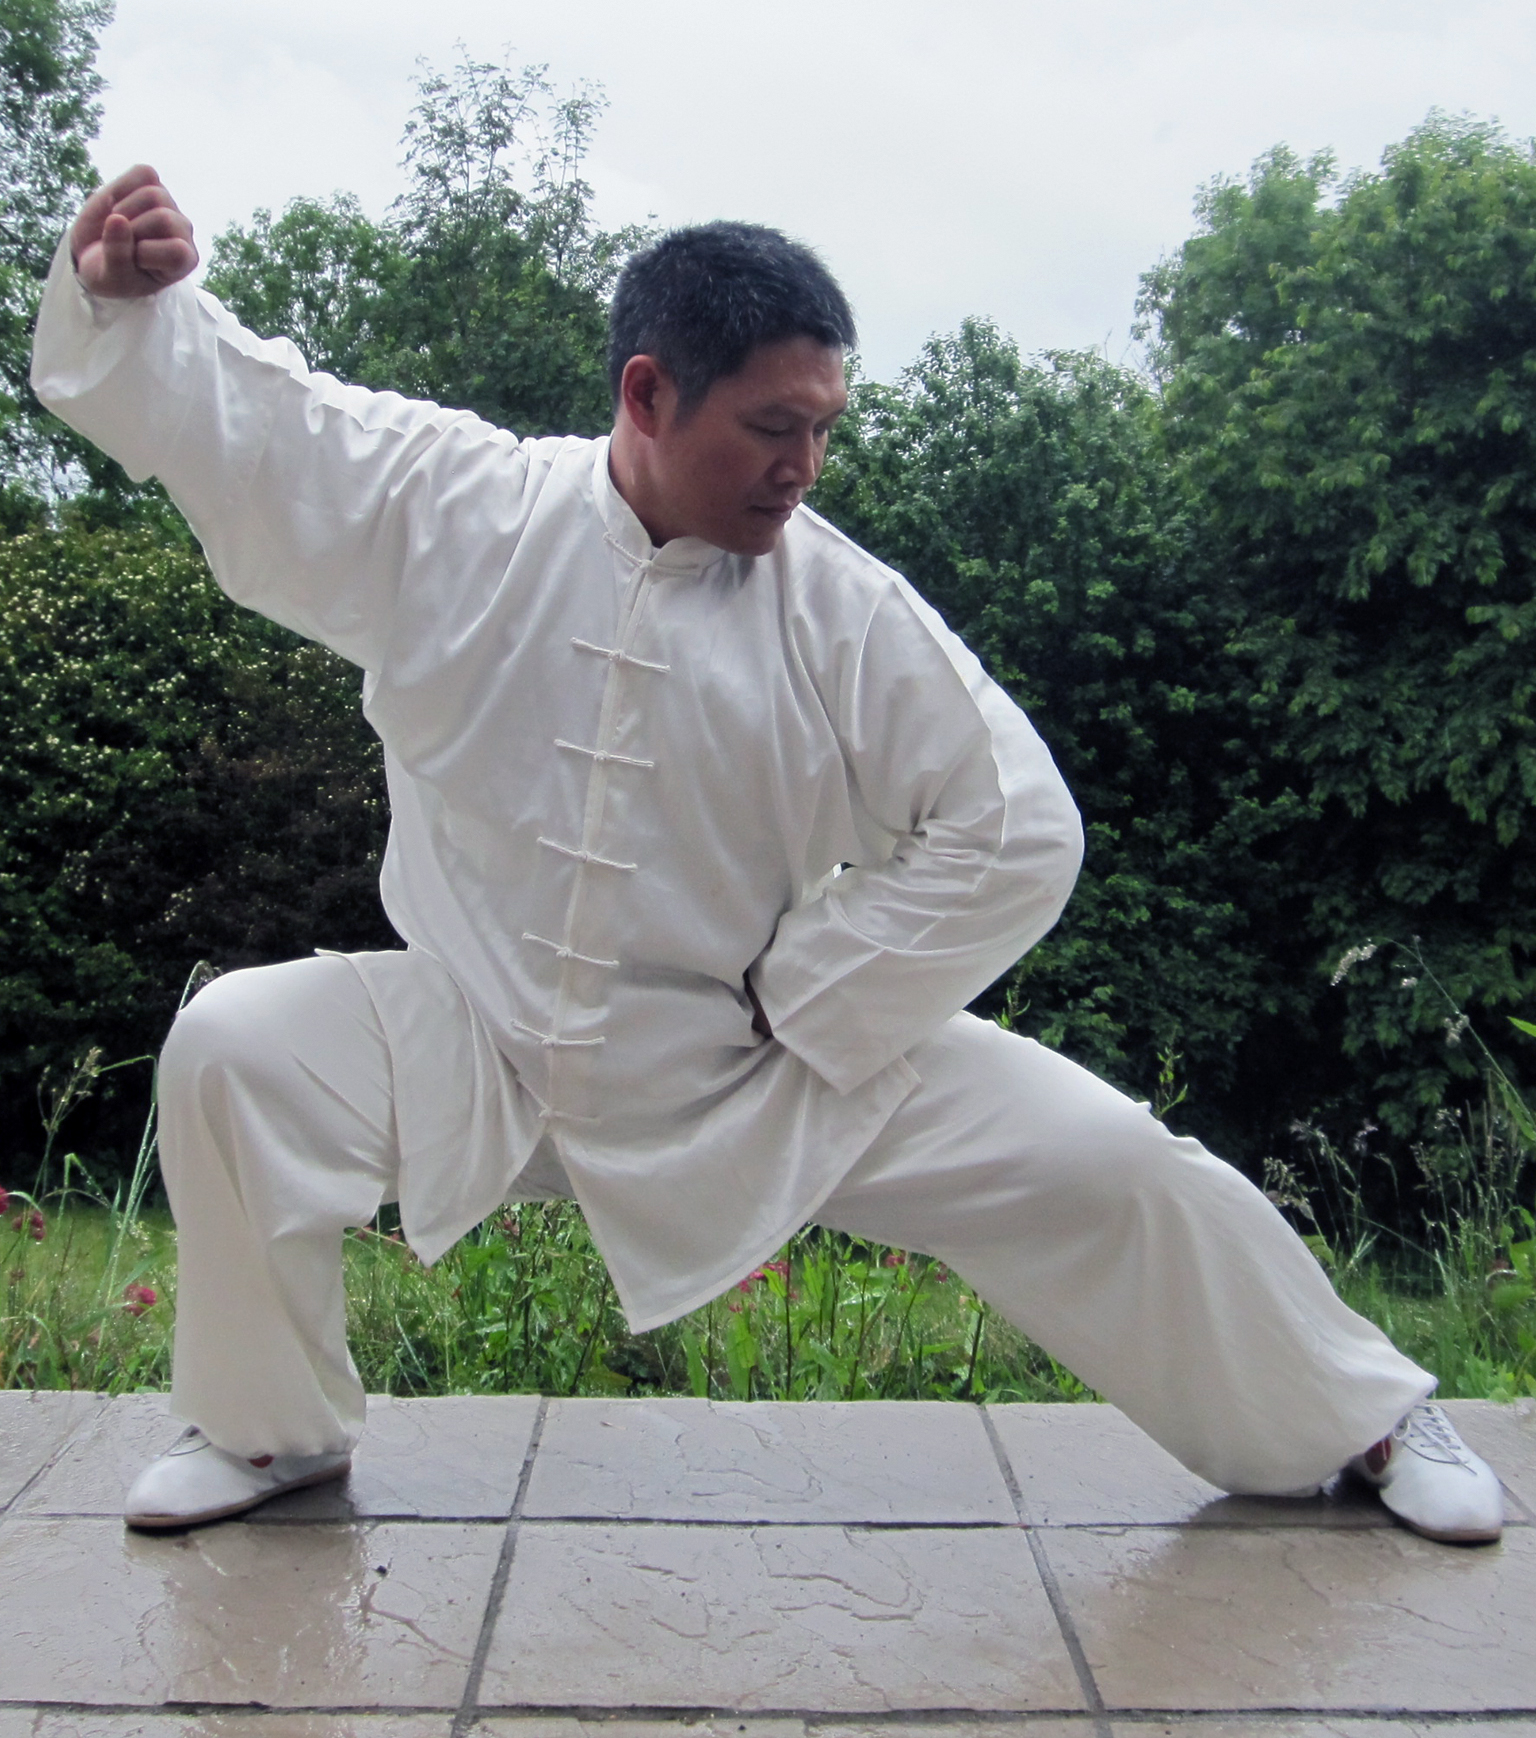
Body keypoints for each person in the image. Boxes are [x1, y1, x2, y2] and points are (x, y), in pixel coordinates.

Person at [30, 165, 1504, 1547]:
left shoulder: (846, 613)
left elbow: (1017, 828)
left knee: (1116, 1159)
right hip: (480, 1039)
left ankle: (1368, 1422)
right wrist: (130, 303)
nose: (804, 467)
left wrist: (817, 990)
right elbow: (264, 418)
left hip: (764, 1056)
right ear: (649, 393)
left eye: (823, 429)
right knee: (236, 1045)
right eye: (771, 428)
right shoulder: (452, 506)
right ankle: (271, 1431)